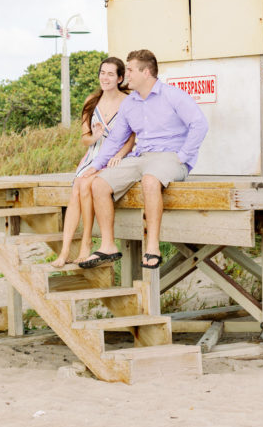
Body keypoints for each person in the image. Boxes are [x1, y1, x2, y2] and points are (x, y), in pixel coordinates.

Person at [78, 48, 208, 270]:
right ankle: (108, 246)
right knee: (99, 184)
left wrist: (183, 156)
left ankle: (153, 247)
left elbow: (199, 124)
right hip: (141, 157)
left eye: (129, 70)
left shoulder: (172, 95)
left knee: (150, 180)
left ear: (146, 72)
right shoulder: (130, 103)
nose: (126, 75)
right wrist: (96, 165)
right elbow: (116, 139)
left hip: (170, 157)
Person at [51, 57, 135, 268]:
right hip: (92, 156)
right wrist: (96, 136)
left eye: (110, 74)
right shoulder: (92, 101)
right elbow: (84, 139)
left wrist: (121, 154)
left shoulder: (128, 101)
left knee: (85, 185)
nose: (104, 78)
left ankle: (86, 242)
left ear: (120, 78)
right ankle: (64, 250)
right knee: (77, 188)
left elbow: (133, 136)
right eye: (102, 73)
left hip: (114, 157)